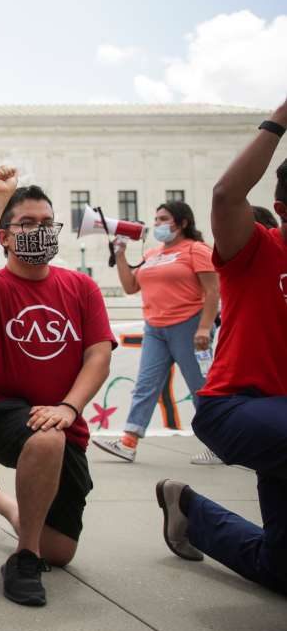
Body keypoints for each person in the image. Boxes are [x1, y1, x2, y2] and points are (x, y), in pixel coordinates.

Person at [0, 168, 114, 607]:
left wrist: (69, 406)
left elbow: (98, 356)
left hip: (63, 418)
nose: (39, 232)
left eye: (46, 223)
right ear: (4, 236)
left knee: (60, 551)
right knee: (46, 440)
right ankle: (23, 559)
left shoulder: (81, 288)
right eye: (27, 224)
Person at [156, 97, 287, 596]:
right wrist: (280, 119)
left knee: (280, 567)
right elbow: (228, 193)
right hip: (237, 406)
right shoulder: (255, 250)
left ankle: (188, 509)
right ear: (281, 210)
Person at [93, 201, 220, 464]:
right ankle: (128, 442)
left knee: (200, 388)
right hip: (154, 329)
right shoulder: (151, 254)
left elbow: (212, 291)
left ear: (183, 222)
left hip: (189, 326)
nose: (158, 223)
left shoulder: (196, 250)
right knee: (145, 386)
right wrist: (119, 255)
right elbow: (130, 286)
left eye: (164, 219)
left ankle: (219, 445)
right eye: (157, 218)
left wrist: (205, 327)